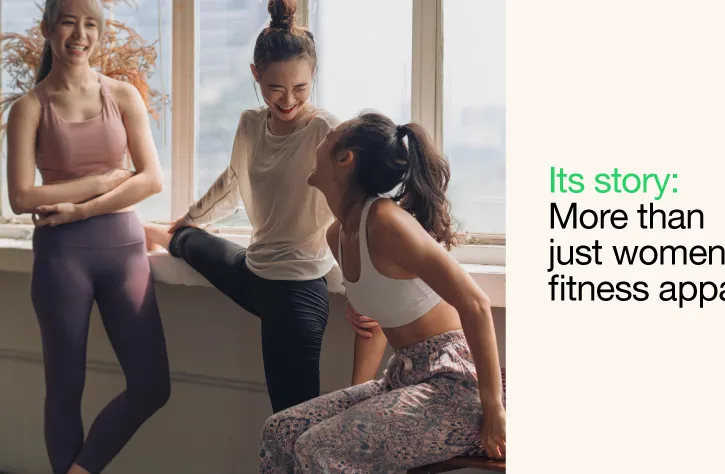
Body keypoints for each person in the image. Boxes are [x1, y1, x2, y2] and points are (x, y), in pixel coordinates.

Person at [257, 112, 507, 473]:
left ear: (346, 158)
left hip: (456, 389)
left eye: (330, 137)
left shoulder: (386, 221)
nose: (320, 138)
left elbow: (476, 304)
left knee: (319, 446)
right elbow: (374, 321)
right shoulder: (338, 235)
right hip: (402, 377)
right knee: (281, 431)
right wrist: (354, 403)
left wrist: (494, 407)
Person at [142, 0, 339, 414]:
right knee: (191, 241)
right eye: (275, 88)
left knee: (291, 422)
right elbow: (232, 183)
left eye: (300, 88)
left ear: (314, 77)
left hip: (297, 291)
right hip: (254, 273)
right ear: (255, 75)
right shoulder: (251, 123)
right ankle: (166, 235)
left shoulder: (325, 130)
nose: (288, 100)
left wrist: (363, 286)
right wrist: (188, 219)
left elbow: (354, 206)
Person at [4, 0, 171, 472]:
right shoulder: (29, 108)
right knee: (65, 388)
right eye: (69, 22)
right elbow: (21, 196)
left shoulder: (122, 96)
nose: (80, 34)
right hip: (62, 258)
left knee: (151, 384)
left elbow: (151, 179)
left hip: (124, 252)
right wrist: (102, 181)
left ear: (103, 32)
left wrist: (83, 207)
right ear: (47, 28)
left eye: (91, 24)